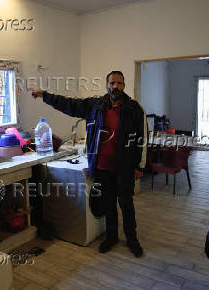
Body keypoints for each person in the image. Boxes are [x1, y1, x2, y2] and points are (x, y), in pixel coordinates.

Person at [30, 71, 147, 257]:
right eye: (112, 83)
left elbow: (142, 138)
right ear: (107, 85)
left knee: (126, 205)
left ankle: (132, 240)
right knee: (108, 205)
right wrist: (45, 95)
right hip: (102, 167)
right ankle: (111, 237)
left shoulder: (134, 108)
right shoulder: (95, 106)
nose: (115, 86)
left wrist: (140, 165)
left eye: (119, 83)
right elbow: (68, 104)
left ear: (124, 86)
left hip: (124, 168)